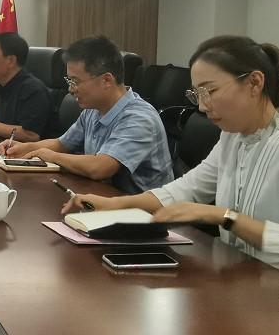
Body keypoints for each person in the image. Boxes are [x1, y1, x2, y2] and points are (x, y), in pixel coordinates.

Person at [63, 36, 279, 268]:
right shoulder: (231, 137)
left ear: (254, 83)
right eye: (197, 94)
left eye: (210, 91)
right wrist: (113, 204)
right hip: (238, 272)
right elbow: (185, 189)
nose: (202, 106)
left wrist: (223, 216)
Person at [1, 36, 173, 194]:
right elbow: (61, 144)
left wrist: (50, 156)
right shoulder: (93, 110)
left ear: (106, 80)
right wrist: (26, 148)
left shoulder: (139, 118)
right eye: (69, 80)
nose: (71, 89)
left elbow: (100, 168)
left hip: (143, 211)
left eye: (75, 81)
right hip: (103, 199)